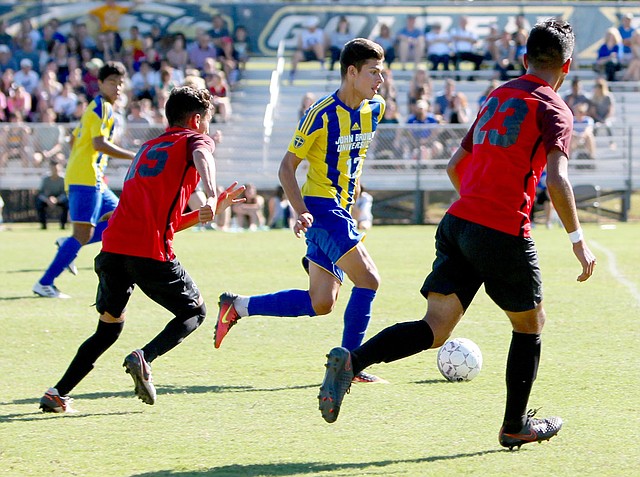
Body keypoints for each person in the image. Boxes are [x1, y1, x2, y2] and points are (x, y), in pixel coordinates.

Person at [317, 19, 597, 451]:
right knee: (530, 324)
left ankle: (353, 360)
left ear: (524, 60)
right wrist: (578, 239)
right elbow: (558, 180)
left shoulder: (497, 94)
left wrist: (476, 207)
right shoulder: (555, 108)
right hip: (502, 228)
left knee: (436, 326)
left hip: (457, 221)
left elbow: (454, 166)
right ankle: (515, 425)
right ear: (568, 66)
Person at [38, 86, 246, 413]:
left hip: (113, 252)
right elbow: (204, 157)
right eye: (206, 120)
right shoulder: (196, 139)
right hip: (149, 253)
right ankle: (144, 357)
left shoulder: (149, 147)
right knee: (195, 312)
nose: (208, 128)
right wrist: (210, 193)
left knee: (108, 329)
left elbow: (171, 221)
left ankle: (57, 393)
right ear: (195, 119)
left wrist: (212, 208)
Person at [214, 38, 388, 384]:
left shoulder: (375, 108)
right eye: (373, 73)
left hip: (342, 209)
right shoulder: (320, 114)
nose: (380, 81)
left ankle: (238, 306)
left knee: (321, 302)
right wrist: (300, 210)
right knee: (368, 279)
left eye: (381, 73)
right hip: (322, 209)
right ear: (351, 73)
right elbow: (286, 168)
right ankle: (351, 365)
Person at [32, 61, 137, 299]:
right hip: (85, 177)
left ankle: (67, 244)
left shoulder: (99, 108)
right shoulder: (100, 107)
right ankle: (45, 283)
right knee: (83, 234)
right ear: (99, 83)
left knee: (123, 217)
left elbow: (73, 140)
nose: (117, 88)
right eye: (112, 82)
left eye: (120, 83)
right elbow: (98, 143)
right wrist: (134, 155)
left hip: (92, 176)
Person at [289, 17, 326, 83]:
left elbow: (325, 44)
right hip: (307, 52)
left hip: (318, 53)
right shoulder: (303, 34)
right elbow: (300, 46)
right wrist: (309, 47)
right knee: (296, 55)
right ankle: (292, 73)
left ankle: (322, 64)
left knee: (317, 46)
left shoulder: (321, 33)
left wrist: (314, 46)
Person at [35, 158, 68, 230]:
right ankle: (43, 225)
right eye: (52, 168)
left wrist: (57, 200)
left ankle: (63, 225)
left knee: (67, 203)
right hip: (48, 199)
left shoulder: (63, 179)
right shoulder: (45, 179)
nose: (54, 170)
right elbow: (41, 193)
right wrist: (47, 200)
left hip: (60, 198)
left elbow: (66, 193)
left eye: (56, 168)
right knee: (39, 203)